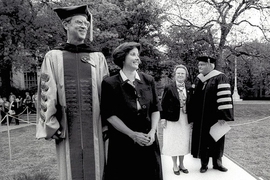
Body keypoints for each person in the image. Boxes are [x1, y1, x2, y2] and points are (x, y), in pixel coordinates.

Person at [36, 4, 109, 180]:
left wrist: (107, 125)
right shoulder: (53, 57)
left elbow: (107, 95)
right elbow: (46, 94)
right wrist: (52, 124)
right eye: (79, 22)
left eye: (86, 23)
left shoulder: (97, 58)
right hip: (67, 128)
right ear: (66, 25)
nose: (84, 26)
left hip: (95, 129)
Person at [101, 42, 163, 180]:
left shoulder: (148, 80)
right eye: (133, 54)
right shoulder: (109, 83)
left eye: (138, 55)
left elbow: (155, 109)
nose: (138, 58)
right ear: (122, 58)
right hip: (122, 143)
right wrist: (133, 135)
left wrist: (153, 132)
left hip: (148, 141)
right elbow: (110, 115)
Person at [190, 56, 234, 173]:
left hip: (215, 117)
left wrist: (222, 116)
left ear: (210, 64)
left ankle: (217, 163)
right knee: (202, 140)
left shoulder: (220, 77)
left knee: (217, 139)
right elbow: (193, 99)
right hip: (201, 117)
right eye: (199, 65)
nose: (199, 67)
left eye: (202, 65)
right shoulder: (198, 79)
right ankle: (203, 164)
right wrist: (193, 116)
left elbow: (224, 98)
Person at [160, 64, 192, 175]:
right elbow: (163, 104)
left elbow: (192, 104)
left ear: (186, 75)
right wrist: (163, 118)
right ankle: (174, 165)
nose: (180, 75)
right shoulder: (169, 88)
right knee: (173, 142)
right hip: (172, 119)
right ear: (175, 75)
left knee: (183, 142)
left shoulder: (189, 88)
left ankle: (182, 164)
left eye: (182, 73)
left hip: (184, 119)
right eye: (178, 73)